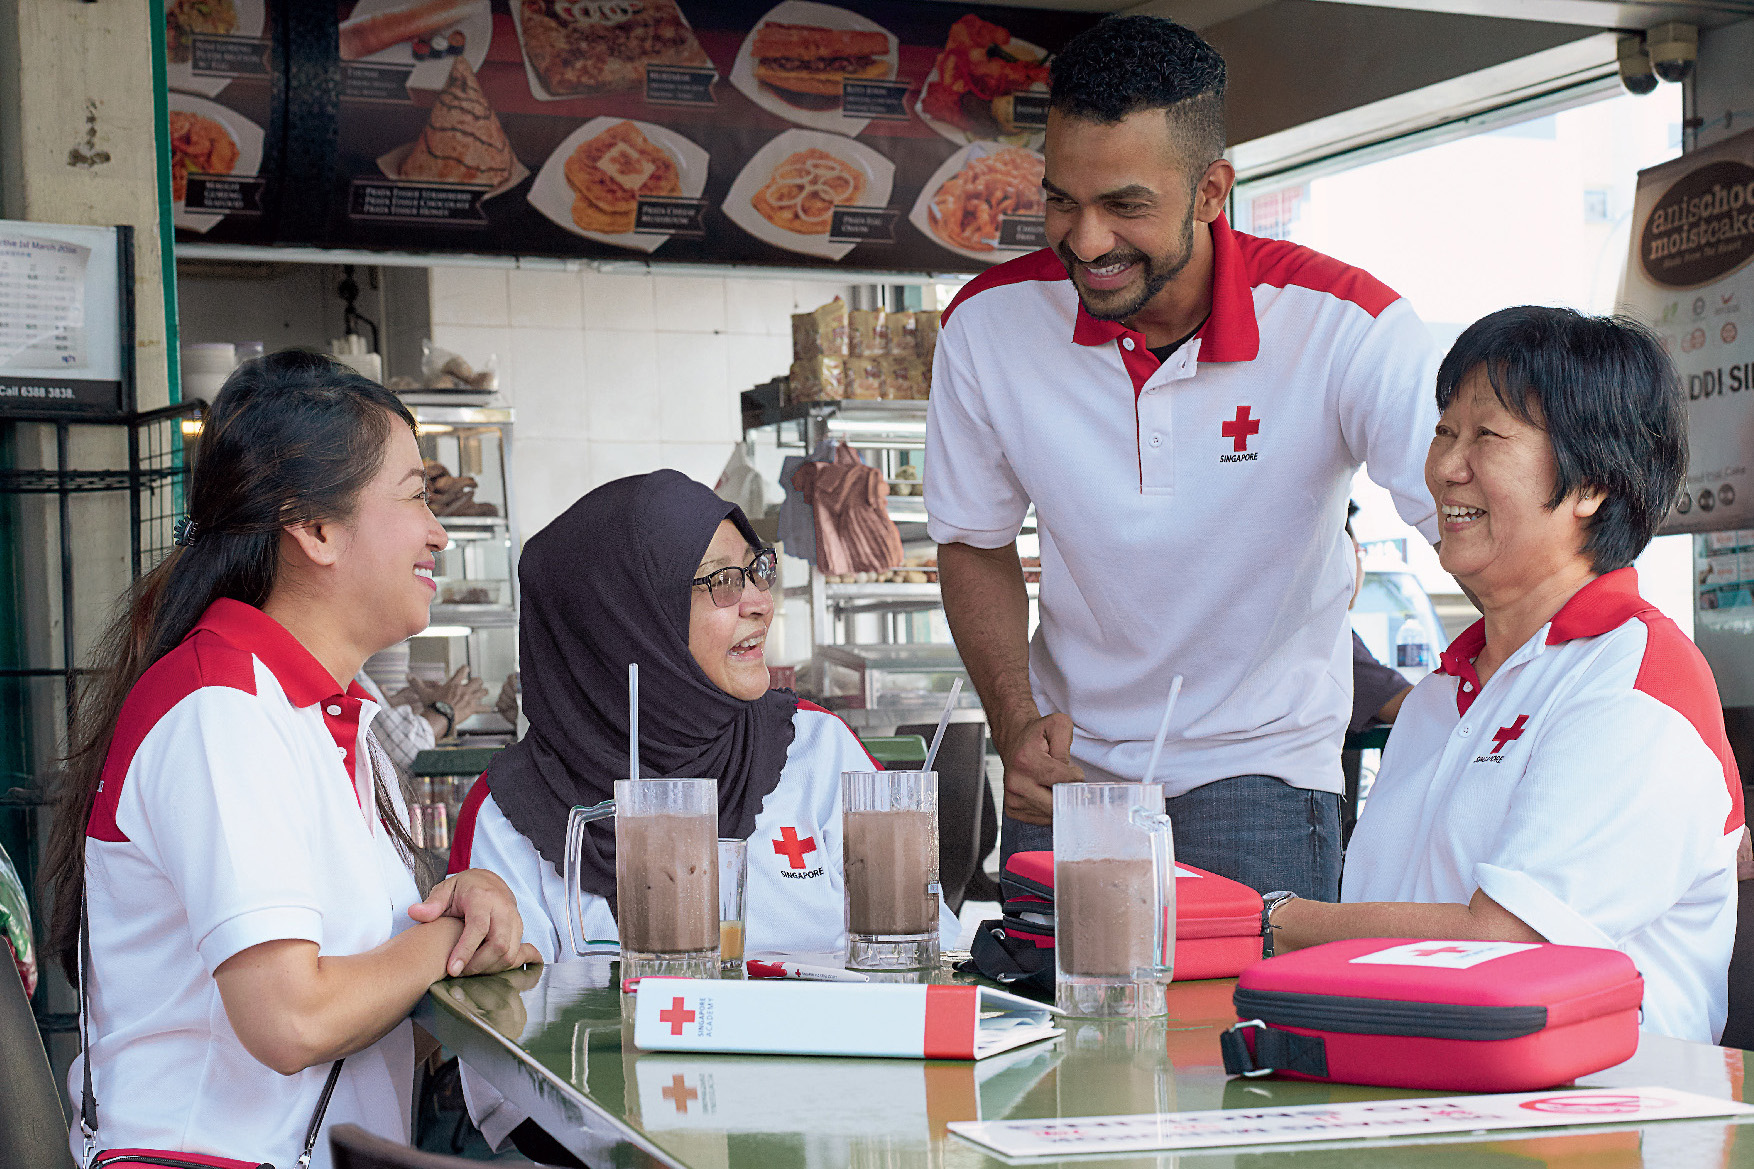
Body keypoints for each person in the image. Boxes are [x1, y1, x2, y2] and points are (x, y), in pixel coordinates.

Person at [926, 14, 1440, 900]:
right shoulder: (985, 327)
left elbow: (1477, 517)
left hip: (1260, 770)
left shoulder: (1347, 325)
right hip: (1067, 774)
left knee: (1242, 1037)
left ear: (1212, 191)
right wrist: (1015, 718)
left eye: (1126, 205)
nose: (1087, 242)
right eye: (1060, 200)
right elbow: (974, 543)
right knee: (1046, 1032)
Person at [41, 351, 539, 1169]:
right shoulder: (220, 708)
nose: (438, 530)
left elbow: (354, 990)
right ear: (313, 528)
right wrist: (446, 938)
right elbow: (292, 1020)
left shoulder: (323, 711)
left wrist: (467, 905)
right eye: (415, 494)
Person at [1267, 307, 1741, 1043]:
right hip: (1413, 1099)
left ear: (1592, 483)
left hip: (1596, 1128)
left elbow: (1505, 947)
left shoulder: (1638, 682)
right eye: (1443, 431)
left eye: (1486, 436)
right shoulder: (1437, 698)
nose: (1446, 466)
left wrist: (1277, 923)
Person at [449, 469, 960, 961]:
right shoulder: (511, 812)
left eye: (757, 569)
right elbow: (503, 1020)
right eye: (722, 580)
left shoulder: (815, 749)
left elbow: (936, 952)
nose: (761, 602)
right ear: (626, 621)